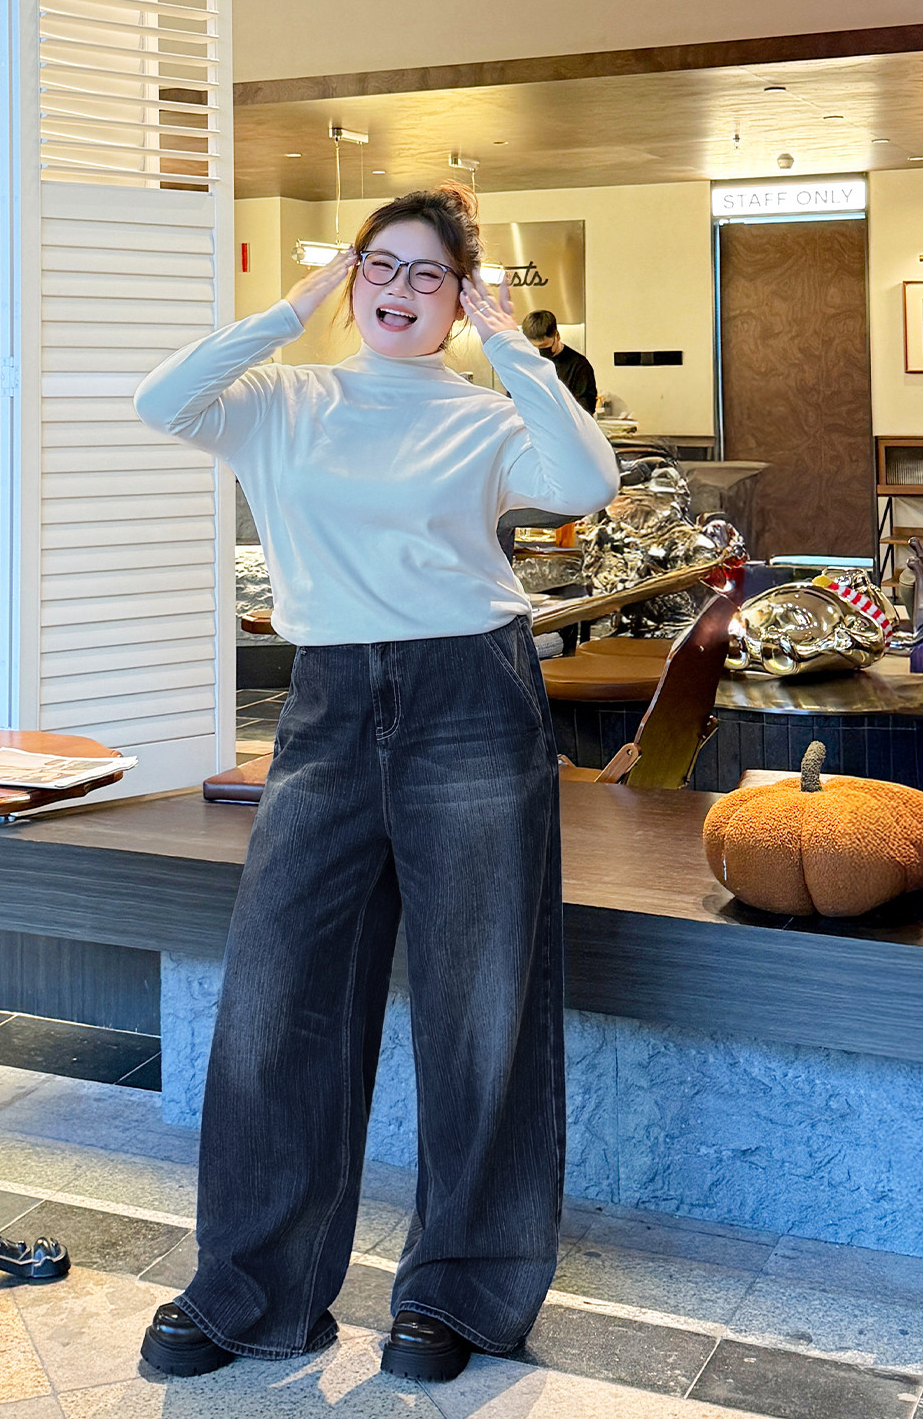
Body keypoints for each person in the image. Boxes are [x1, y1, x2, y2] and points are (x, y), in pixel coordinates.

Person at [131, 184, 618, 1384]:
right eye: (381, 268)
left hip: (472, 698)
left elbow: (584, 480)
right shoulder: (282, 400)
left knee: (481, 1002)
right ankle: (254, 1291)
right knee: (275, 994)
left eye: (430, 275)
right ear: (352, 281)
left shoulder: (483, 416)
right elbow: (160, 399)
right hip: (332, 705)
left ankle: (463, 1297)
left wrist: (513, 348)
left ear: (460, 298)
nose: (403, 291)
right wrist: (285, 311)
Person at [522, 309, 597, 414]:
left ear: (557, 336)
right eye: (534, 347)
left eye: (544, 346)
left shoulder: (579, 366)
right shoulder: (525, 363)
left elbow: (585, 410)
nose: (539, 352)